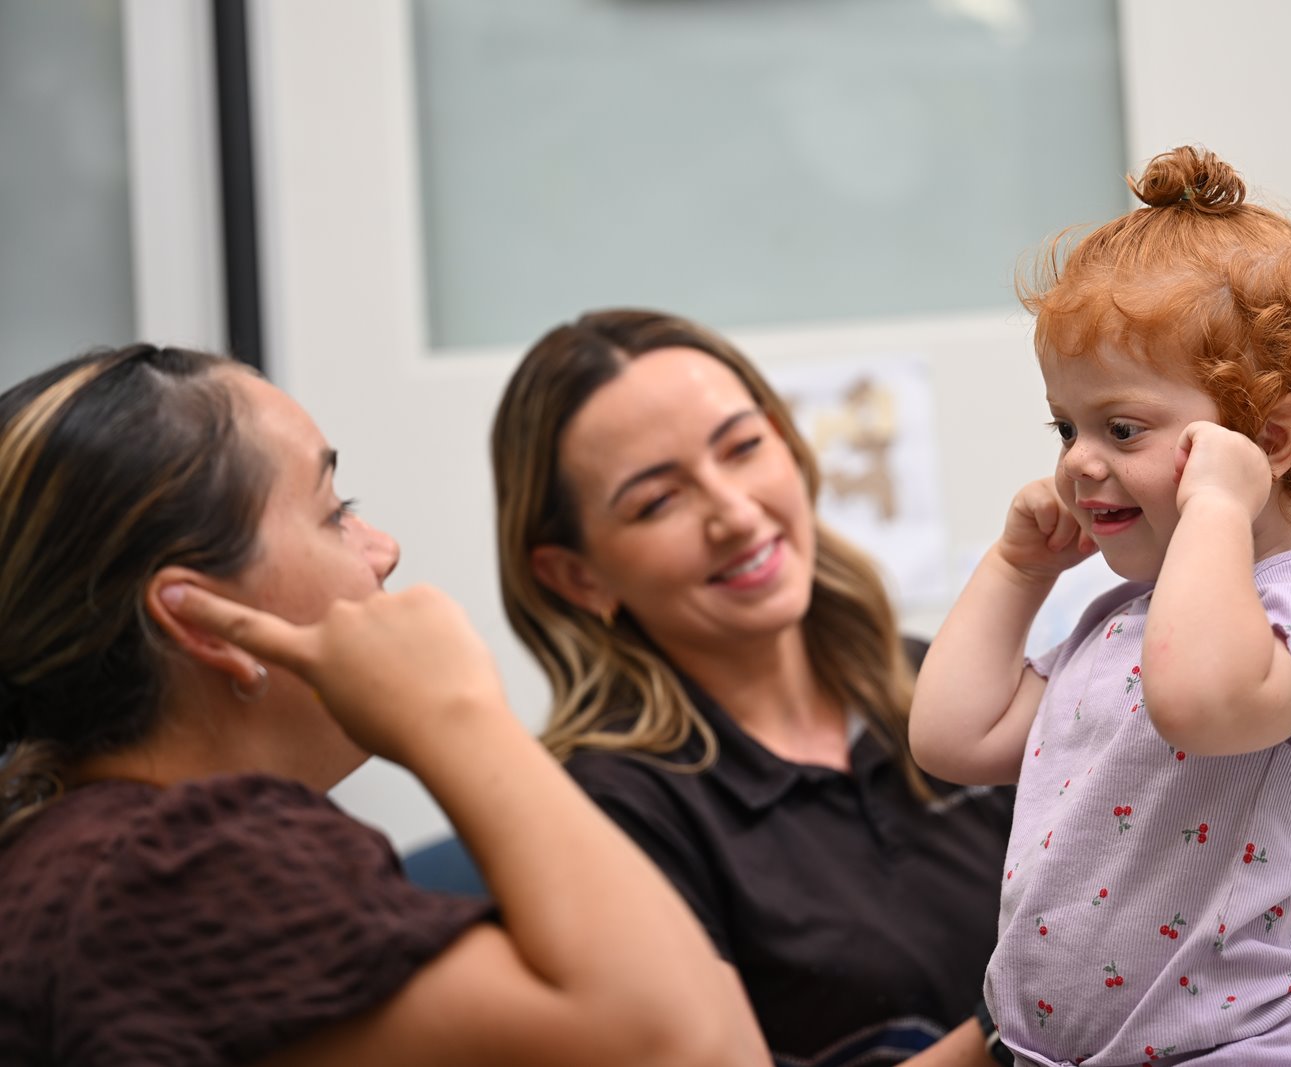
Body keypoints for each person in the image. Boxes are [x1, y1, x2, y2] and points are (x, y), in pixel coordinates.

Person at [405, 306, 1291, 1066]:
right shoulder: (607, 810)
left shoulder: (926, 673)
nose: (732, 511)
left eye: (743, 447)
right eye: (657, 498)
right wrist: (1011, 1030)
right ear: (575, 575)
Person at [0, 345, 765, 1066]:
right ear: (202, 621)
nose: (383, 548)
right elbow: (694, 1045)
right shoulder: (173, 870)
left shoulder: (106, 852)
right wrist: (454, 713)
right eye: (336, 512)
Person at [909, 146, 1291, 1066]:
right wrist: (1016, 570)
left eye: (1121, 427)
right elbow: (952, 737)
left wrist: (1218, 503)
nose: (1077, 459)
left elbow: (1199, 702)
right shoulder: (1117, 621)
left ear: (1269, 437)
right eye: (1066, 425)